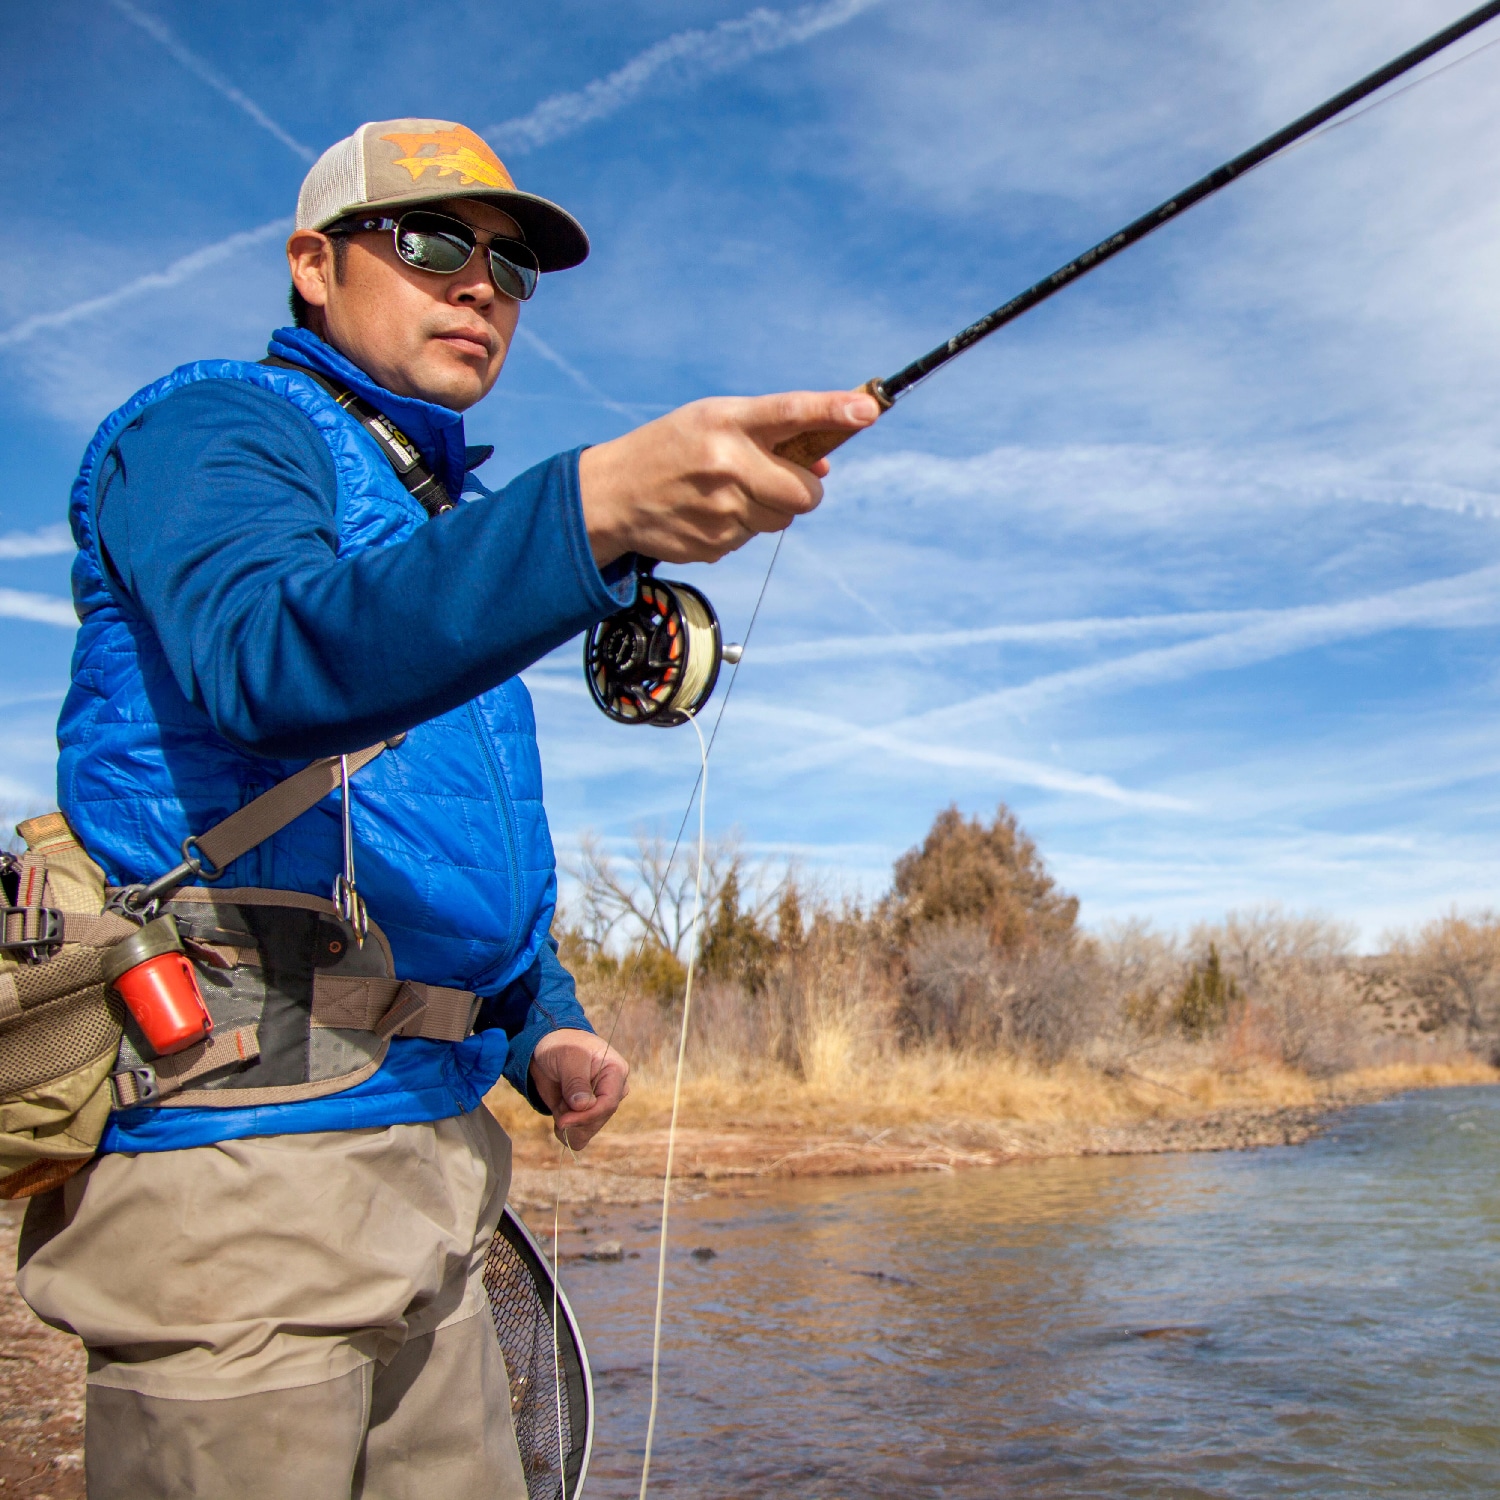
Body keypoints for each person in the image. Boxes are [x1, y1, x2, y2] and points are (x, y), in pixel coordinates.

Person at [14, 118, 880, 1499]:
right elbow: (269, 656)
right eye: (430, 244)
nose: (481, 284)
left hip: (443, 1183)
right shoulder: (212, 426)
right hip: (242, 1178)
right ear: (314, 264)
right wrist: (591, 510)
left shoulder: (443, 545)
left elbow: (442, 848)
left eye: (513, 266)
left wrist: (544, 1026)